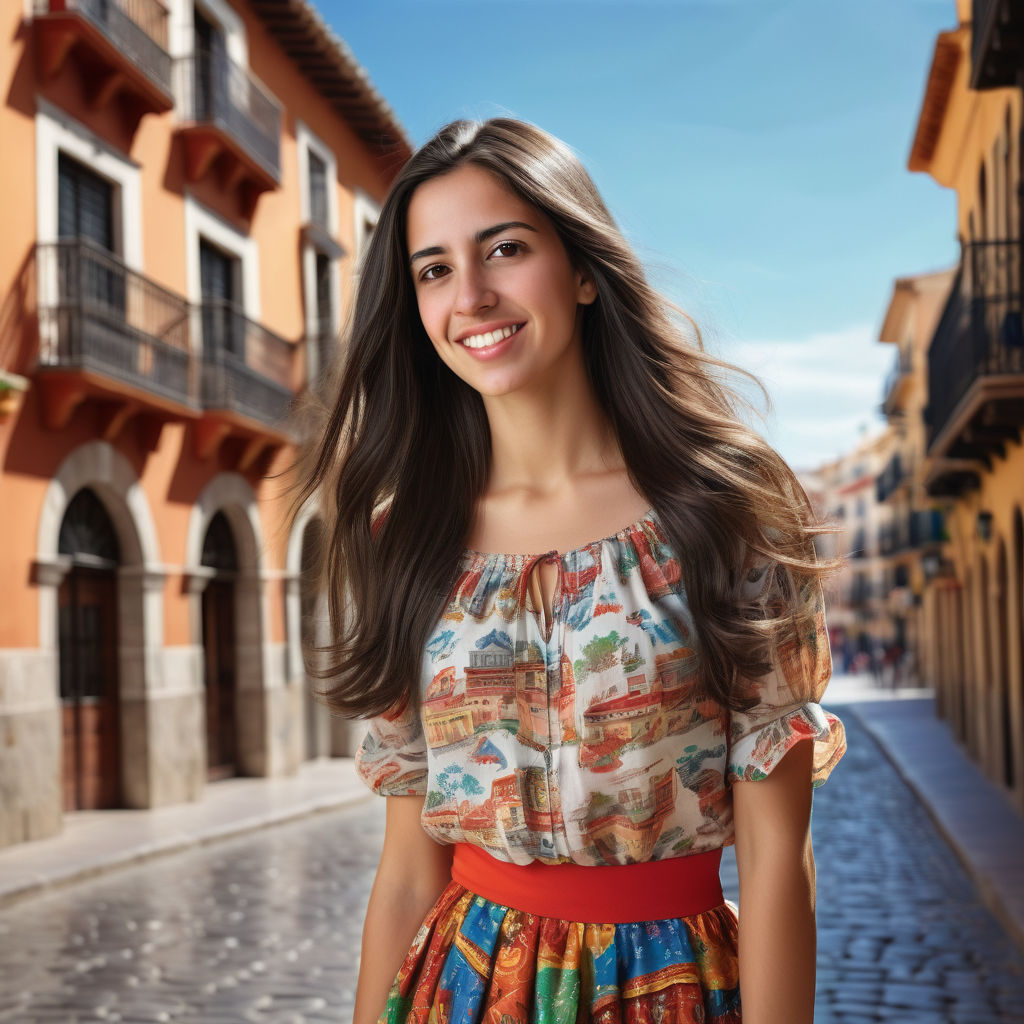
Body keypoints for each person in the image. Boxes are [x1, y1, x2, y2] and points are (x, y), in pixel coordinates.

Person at [288, 117, 847, 1024]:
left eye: (504, 250)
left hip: (668, 991)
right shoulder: (406, 536)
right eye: (433, 270)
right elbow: (407, 874)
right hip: (459, 992)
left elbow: (779, 862)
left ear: (584, 270)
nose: (471, 296)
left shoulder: (728, 509)